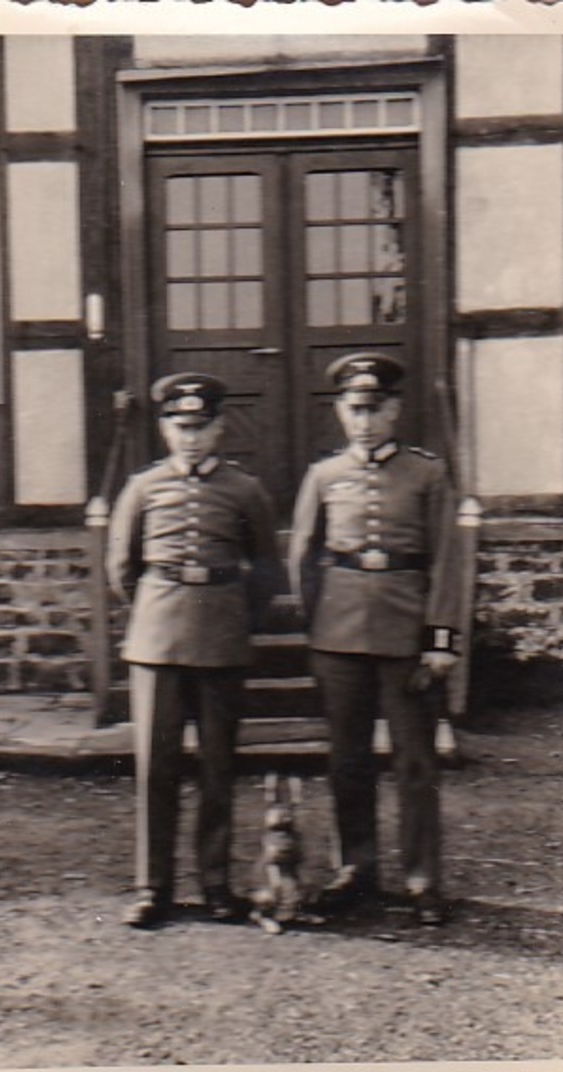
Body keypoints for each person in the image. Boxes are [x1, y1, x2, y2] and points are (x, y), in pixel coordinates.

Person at [288, 352, 461, 926]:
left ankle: (421, 879)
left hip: (406, 636)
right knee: (348, 761)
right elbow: (304, 557)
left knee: (415, 763)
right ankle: (355, 869)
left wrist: (440, 641)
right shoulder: (324, 476)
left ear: (395, 409)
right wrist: (317, 628)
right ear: (340, 412)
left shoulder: (427, 473)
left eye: (375, 408)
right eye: (354, 409)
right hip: (339, 637)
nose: (364, 421)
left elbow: (446, 561)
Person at [108, 373, 281, 930]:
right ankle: (151, 886)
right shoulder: (142, 488)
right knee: (155, 769)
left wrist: (236, 617)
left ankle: (215, 884)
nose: (190, 437)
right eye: (180, 427)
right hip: (156, 642)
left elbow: (267, 570)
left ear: (219, 427)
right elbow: (123, 570)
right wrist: (157, 610)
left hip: (222, 638)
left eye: (201, 427)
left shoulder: (244, 490)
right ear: (164, 429)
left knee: (217, 768)